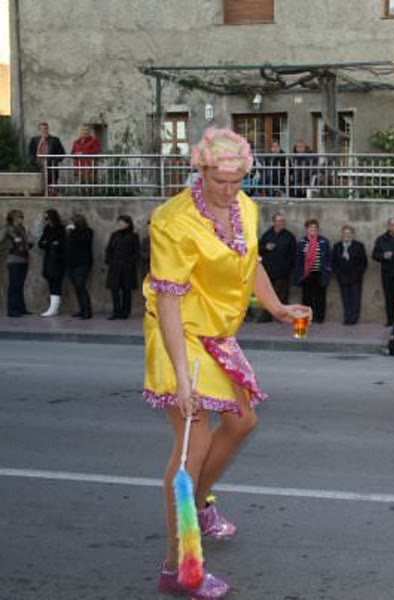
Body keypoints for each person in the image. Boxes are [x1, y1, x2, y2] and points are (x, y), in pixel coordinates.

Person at [144, 127, 310, 599]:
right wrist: (182, 380)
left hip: (216, 332)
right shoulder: (172, 221)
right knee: (191, 448)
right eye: (220, 181)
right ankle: (179, 568)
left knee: (242, 421)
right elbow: (169, 301)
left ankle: (198, 504)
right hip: (179, 334)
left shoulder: (245, 207)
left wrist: (277, 307)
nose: (229, 190)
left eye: (238, 181)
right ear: (200, 171)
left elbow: (249, 261)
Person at [257, 212, 297, 322]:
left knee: (282, 295)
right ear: (274, 222)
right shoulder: (267, 235)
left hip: (283, 271)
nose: (281, 223)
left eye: (282, 221)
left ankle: (282, 317)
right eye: (278, 221)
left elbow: (293, 254)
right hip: (268, 270)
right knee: (267, 295)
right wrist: (266, 248)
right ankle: (266, 316)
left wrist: (290, 268)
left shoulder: (289, 236)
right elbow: (259, 250)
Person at [294, 218, 331, 324]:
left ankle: (319, 318)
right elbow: (298, 259)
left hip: (320, 273)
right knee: (307, 297)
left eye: (315, 227)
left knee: (320, 297)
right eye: (310, 227)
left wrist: (328, 269)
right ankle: (307, 317)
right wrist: (299, 274)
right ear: (306, 229)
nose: (313, 229)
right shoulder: (302, 242)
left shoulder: (324, 241)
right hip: (306, 274)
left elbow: (328, 256)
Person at [104, 215, 141, 319]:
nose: (120, 224)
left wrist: (130, 262)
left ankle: (125, 312)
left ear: (128, 223)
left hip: (127, 267)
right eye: (119, 222)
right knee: (114, 289)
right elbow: (109, 249)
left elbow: (136, 252)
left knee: (126, 290)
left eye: (122, 222)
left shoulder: (133, 236)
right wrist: (109, 260)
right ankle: (116, 311)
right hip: (115, 266)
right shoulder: (115, 235)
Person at [331, 225, 368, 325]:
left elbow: (363, 262)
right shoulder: (337, 246)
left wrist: (357, 274)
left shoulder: (359, 246)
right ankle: (347, 318)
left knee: (355, 298)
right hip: (342, 277)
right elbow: (334, 262)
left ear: (352, 234)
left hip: (355, 277)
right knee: (345, 298)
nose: (347, 235)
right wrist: (338, 274)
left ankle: (354, 318)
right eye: (345, 233)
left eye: (349, 233)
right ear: (342, 234)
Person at [1, 210, 32, 317]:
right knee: (14, 285)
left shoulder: (22, 228)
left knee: (20, 285)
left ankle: (21, 308)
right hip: (14, 259)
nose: (21, 219)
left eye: (22, 216)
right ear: (13, 218)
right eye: (19, 217)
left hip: (24, 258)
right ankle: (12, 310)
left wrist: (28, 243)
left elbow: (25, 241)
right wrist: (9, 246)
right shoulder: (8, 228)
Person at [38, 208, 66, 317]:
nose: (46, 220)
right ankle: (53, 307)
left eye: (47, 218)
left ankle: (54, 308)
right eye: (45, 218)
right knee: (51, 281)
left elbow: (61, 243)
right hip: (49, 259)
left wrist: (50, 243)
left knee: (56, 282)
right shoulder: (47, 229)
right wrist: (50, 243)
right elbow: (41, 243)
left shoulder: (60, 228)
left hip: (58, 260)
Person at [65, 214, 94, 319]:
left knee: (81, 285)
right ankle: (82, 309)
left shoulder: (87, 232)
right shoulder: (72, 233)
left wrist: (74, 231)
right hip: (72, 262)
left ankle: (87, 311)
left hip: (82, 263)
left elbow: (83, 241)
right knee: (76, 288)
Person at [26, 122, 66, 192]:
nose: (44, 131)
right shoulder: (34, 140)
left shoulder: (55, 140)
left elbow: (62, 153)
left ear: (48, 129)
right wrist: (34, 161)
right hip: (37, 168)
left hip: (51, 169)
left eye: (46, 129)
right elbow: (30, 153)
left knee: (51, 189)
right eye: (42, 129)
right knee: (38, 188)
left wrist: (54, 161)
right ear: (39, 130)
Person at [71, 124, 101, 189]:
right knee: (79, 187)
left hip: (89, 168)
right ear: (80, 132)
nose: (85, 132)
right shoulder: (76, 142)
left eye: (86, 130)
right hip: (79, 168)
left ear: (89, 132)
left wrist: (84, 153)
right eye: (83, 130)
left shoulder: (94, 140)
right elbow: (72, 152)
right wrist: (76, 154)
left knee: (91, 187)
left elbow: (96, 151)